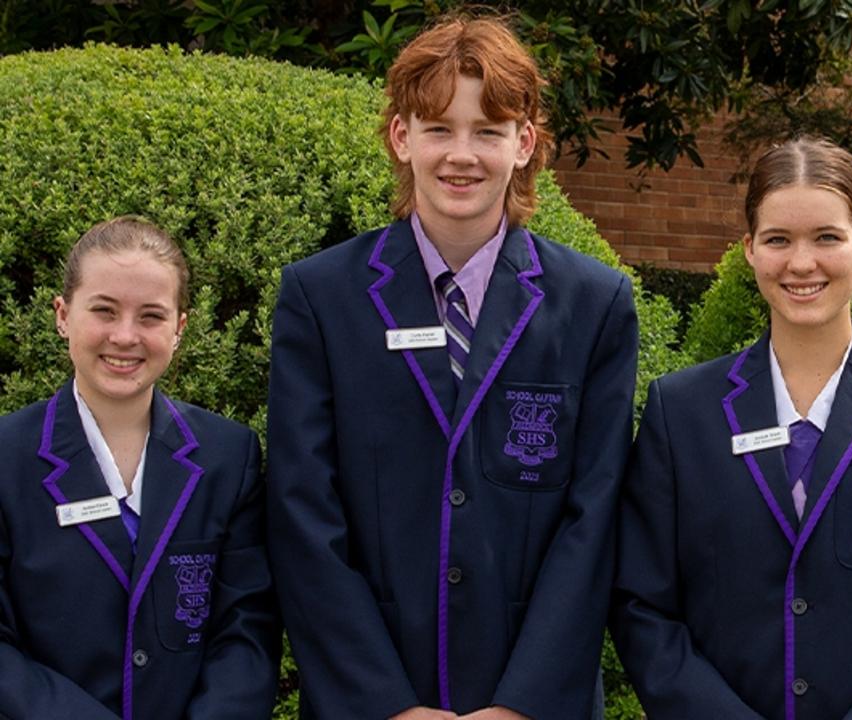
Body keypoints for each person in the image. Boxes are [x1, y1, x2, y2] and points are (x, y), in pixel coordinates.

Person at [266, 15, 638, 720]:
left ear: (524, 143)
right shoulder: (323, 298)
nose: (460, 154)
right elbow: (301, 510)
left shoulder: (594, 304)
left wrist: (520, 704)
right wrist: (386, 705)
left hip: (529, 698)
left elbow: (596, 518)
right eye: (438, 128)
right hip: (373, 693)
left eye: (487, 131)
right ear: (401, 137)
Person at [610, 137, 852, 719]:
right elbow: (641, 606)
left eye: (827, 237)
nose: (801, 263)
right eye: (778, 239)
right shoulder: (682, 411)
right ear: (748, 249)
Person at [0, 216, 279, 719]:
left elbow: (246, 629)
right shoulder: (6, 457)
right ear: (63, 315)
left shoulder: (227, 456)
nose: (125, 336)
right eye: (103, 311)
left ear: (180, 327)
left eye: (151, 316)